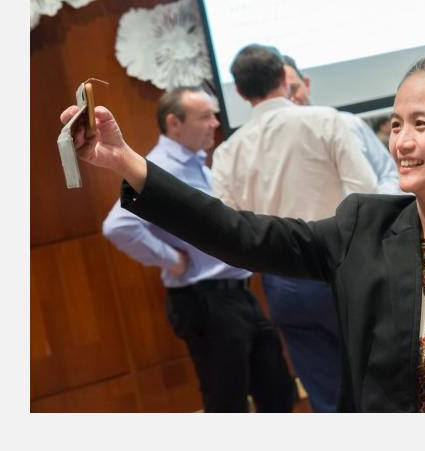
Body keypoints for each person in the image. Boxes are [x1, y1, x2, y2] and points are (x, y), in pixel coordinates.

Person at [61, 55, 425, 412]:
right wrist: (126, 162)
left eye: (421, 124)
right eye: (397, 123)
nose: (401, 140)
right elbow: (240, 234)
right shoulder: (363, 229)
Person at [102, 87, 295, 413]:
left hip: (238, 295)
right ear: (174, 124)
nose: (215, 124)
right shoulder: (159, 168)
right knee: (227, 404)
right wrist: (171, 260)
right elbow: (117, 225)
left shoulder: (198, 166)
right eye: (205, 117)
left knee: (278, 392)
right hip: (206, 300)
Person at [212, 44, 378, 412]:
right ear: (283, 79)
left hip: (281, 282)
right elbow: (366, 193)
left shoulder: (227, 151)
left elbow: (230, 230)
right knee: (376, 383)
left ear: (239, 92)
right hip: (341, 268)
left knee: (325, 396)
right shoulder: (325, 121)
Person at [279, 53, 401, 194]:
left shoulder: (349, 123)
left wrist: (375, 203)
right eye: (284, 95)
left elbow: (389, 173)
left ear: (306, 84)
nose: (291, 99)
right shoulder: (278, 149)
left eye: (294, 89)